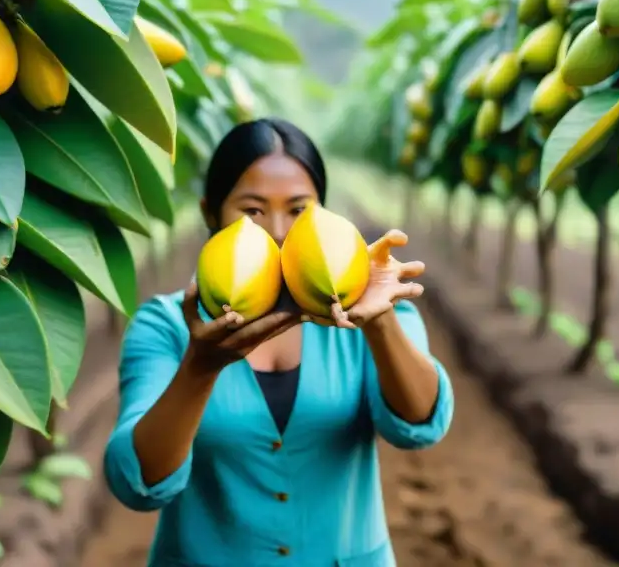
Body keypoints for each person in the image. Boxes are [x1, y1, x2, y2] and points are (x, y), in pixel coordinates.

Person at [103, 117, 455, 566]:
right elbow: (135, 481)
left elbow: (419, 425)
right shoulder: (168, 326)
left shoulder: (370, 310)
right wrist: (200, 367)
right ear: (211, 214)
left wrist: (380, 324)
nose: (276, 231)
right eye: (251, 210)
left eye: (299, 210)